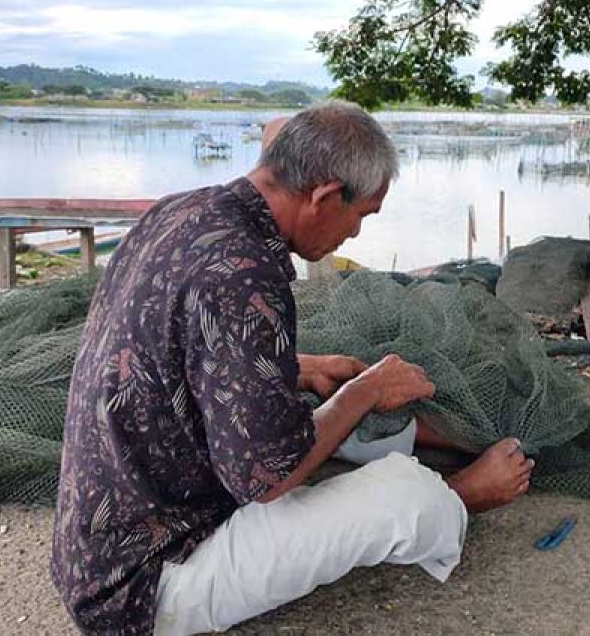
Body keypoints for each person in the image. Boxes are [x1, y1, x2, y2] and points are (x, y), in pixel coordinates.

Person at [51, 101, 533, 636]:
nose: (354, 235)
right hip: (146, 585)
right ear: (325, 196)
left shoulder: (182, 209)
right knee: (403, 493)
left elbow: (172, 343)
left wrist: (300, 368)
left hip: (94, 550)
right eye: (361, 216)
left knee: (306, 401)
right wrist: (366, 392)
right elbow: (267, 478)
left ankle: (426, 441)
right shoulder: (247, 275)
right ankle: (461, 496)